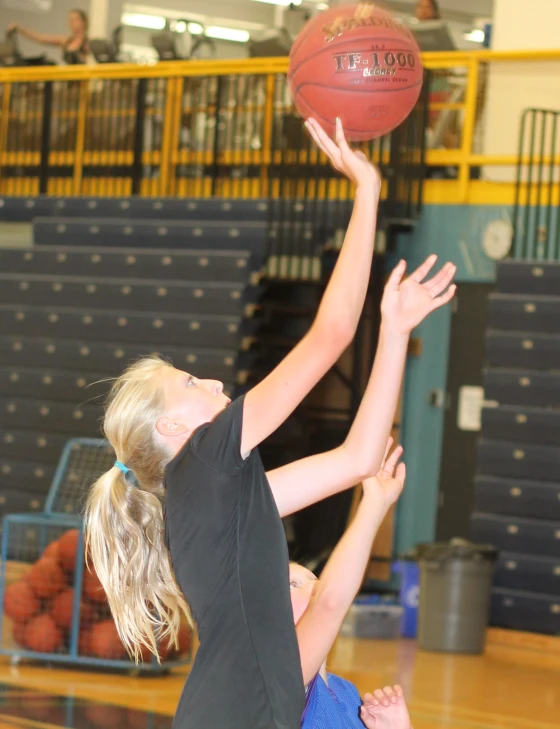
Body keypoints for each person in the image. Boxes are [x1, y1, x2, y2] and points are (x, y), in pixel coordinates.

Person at [84, 118, 455, 729]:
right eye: (190, 383)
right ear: (173, 431)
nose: (214, 384)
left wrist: (394, 332)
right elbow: (330, 334)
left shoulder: (217, 500)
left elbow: (359, 458)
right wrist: (366, 194)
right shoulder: (204, 458)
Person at [291, 439, 412, 729]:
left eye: (314, 580)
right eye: (293, 584)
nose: (316, 588)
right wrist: (375, 503)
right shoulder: (272, 680)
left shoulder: (347, 694)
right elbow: (330, 600)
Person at [7, 9, 89, 64]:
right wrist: (19, 28)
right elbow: (41, 38)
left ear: (84, 21)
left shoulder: (88, 42)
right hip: (68, 81)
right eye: (70, 20)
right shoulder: (66, 41)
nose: (72, 22)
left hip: (83, 82)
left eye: (75, 19)